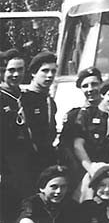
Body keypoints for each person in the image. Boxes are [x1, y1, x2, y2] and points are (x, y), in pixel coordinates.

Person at [0, 49, 34, 223]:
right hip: (4, 169)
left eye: (20, 69)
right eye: (11, 70)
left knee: (23, 216)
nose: (16, 74)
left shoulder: (26, 98)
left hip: (25, 167)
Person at [58, 67, 103, 192]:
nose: (90, 89)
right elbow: (67, 148)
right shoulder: (74, 116)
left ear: (102, 84)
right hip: (82, 173)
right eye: (85, 86)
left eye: (94, 84)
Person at [22, 51, 59, 191]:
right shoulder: (23, 99)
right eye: (45, 71)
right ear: (33, 73)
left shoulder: (50, 102)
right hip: (25, 164)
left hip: (46, 163)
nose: (50, 75)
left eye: (53, 71)